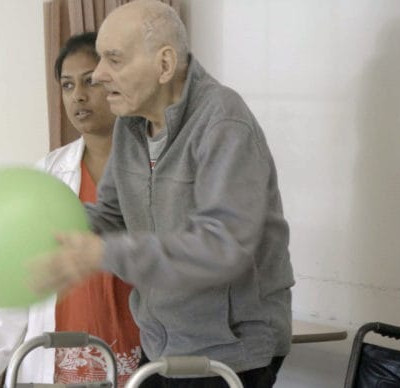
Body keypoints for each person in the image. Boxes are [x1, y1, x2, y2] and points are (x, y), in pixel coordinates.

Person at [32, 2, 294, 387]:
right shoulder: (130, 125)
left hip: (229, 351)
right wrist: (50, 227)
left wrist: (102, 253)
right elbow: (112, 215)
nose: (100, 75)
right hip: (160, 343)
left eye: (114, 59)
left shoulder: (223, 122)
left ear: (165, 64)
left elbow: (221, 246)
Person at [0, 33, 140, 387]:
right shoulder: (46, 176)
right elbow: (15, 275)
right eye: (67, 85)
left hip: (140, 353)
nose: (78, 96)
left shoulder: (153, 168)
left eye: (90, 81)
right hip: (59, 357)